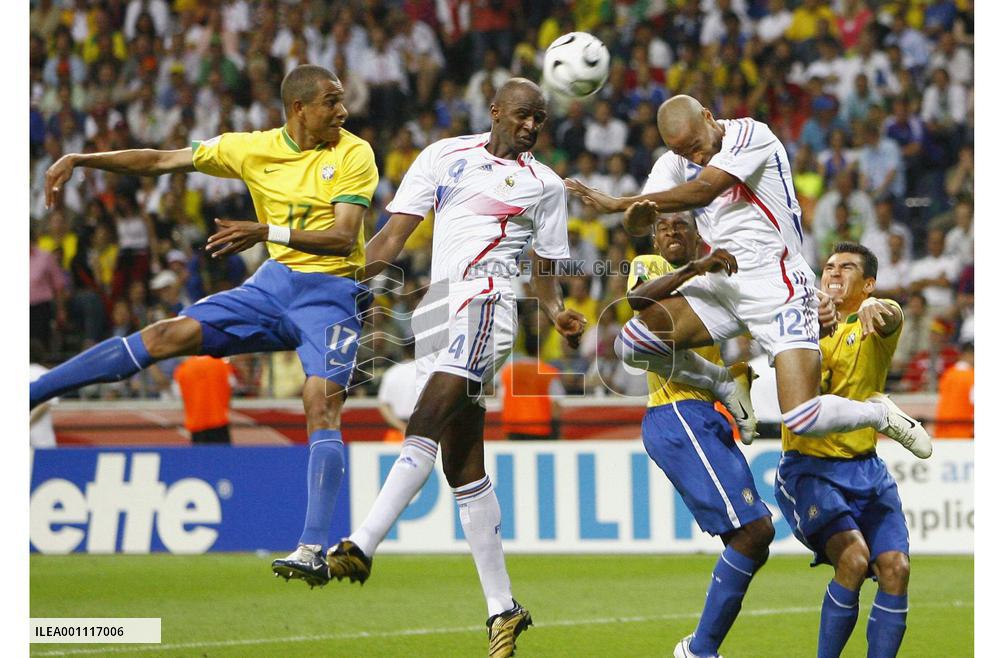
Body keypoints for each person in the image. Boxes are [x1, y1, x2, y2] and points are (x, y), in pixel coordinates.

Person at [34, 65, 377, 587]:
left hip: (332, 294)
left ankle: (311, 547)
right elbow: (160, 160)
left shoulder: (354, 153)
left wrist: (265, 229)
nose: (343, 111)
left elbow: (342, 236)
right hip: (274, 285)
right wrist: (83, 159)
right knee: (164, 335)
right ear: (299, 108)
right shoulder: (251, 147)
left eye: (342, 100)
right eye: (332, 102)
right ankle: (30, 392)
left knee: (321, 401)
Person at [326, 78, 586, 658]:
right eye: (522, 115)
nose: (530, 127)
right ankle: (504, 608)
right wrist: (345, 289)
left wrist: (555, 308)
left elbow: (542, 265)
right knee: (462, 462)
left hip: (490, 302)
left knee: (426, 416)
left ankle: (363, 542)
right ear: (494, 111)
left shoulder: (545, 184)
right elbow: (393, 235)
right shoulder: (443, 157)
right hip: (437, 309)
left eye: (539, 119)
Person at [564, 95, 931, 460]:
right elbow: (643, 216)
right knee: (633, 344)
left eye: (695, 147)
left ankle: (880, 413)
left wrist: (617, 202)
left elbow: (705, 189)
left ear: (708, 117)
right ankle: (724, 383)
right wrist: (634, 215)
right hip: (723, 279)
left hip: (780, 288)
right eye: (682, 152)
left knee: (802, 416)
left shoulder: (752, 135)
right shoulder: (674, 163)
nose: (693, 158)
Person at [626, 212, 775, 658]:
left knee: (750, 540)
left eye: (681, 226)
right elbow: (636, 302)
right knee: (755, 531)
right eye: (665, 227)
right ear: (655, 237)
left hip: (702, 416)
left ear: (698, 235)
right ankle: (699, 650)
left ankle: (702, 648)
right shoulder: (651, 265)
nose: (672, 232)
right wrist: (694, 268)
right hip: (675, 412)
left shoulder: (717, 282)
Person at [776, 242, 920, 658]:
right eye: (829, 267)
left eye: (848, 267)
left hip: (867, 470)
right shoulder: (799, 331)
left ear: (868, 283)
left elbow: (891, 316)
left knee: (897, 568)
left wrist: (882, 306)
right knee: (854, 559)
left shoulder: (873, 326)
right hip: (810, 469)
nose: (834, 272)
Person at [173, 355, 236, 444]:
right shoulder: (221, 364)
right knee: (223, 456)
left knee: (200, 456)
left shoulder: (183, 368)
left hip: (196, 424)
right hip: (219, 421)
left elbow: (177, 393)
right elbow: (232, 384)